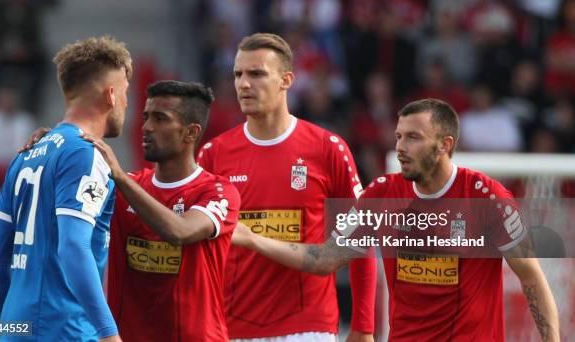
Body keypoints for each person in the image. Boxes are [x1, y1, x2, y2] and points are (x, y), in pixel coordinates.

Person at [232, 99, 560, 341]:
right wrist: (253, 239)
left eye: (413, 137)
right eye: (399, 136)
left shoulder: (487, 198)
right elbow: (323, 259)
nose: (400, 147)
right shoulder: (380, 196)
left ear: (445, 145)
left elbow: (531, 276)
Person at [197, 32, 376, 341]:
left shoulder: (327, 149)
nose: (243, 84)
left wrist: (363, 327)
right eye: (238, 74)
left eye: (256, 73)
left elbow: (360, 240)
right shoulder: (214, 154)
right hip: (232, 327)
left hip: (308, 327)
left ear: (286, 80)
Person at [0, 36, 132, 341]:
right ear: (112, 95)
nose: (128, 104)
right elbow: (73, 247)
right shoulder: (85, 154)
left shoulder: (26, 154)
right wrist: (109, 333)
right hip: (66, 329)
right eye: (128, 93)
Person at [83, 80, 241, 341]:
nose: (146, 127)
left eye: (160, 119)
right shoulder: (125, 186)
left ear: (191, 133)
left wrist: (121, 178)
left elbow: (180, 231)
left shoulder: (218, 192)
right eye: (146, 117)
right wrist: (53, 145)